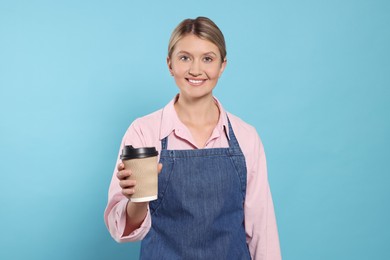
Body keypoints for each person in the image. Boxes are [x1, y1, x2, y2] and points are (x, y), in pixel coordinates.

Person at [104, 16, 281, 259]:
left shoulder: (246, 136)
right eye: (185, 57)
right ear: (170, 64)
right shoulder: (144, 132)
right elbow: (121, 229)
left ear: (222, 66)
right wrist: (138, 198)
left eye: (207, 59)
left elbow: (262, 229)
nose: (196, 69)